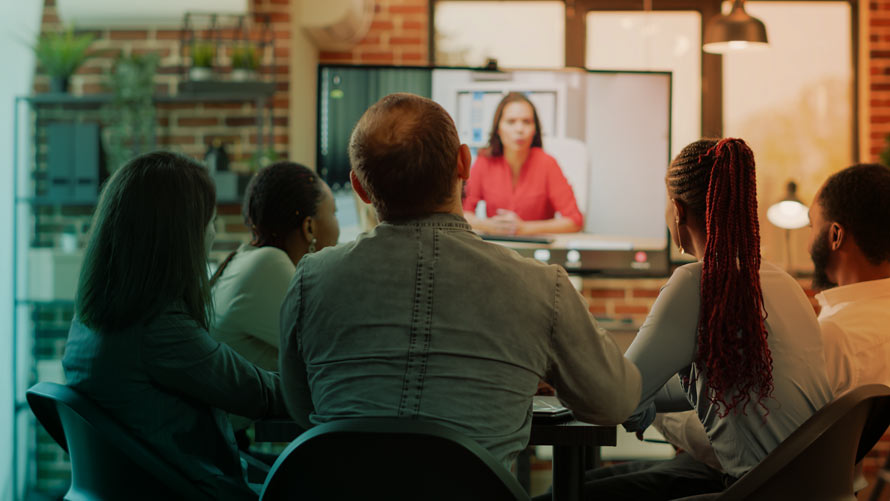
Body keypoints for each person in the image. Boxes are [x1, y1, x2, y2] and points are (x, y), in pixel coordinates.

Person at [278, 92, 642, 468]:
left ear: (359, 187)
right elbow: (616, 401)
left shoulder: (309, 279)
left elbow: (303, 408)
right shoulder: (542, 287)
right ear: (464, 164)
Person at [581, 139, 833, 500]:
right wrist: (642, 401)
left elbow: (615, 397)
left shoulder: (694, 283)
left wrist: (627, 402)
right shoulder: (785, 284)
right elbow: (717, 383)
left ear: (677, 210)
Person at [63, 152, 287, 500]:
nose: (213, 235)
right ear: (179, 238)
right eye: (211, 222)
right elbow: (258, 395)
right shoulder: (158, 329)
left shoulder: (92, 318)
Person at [647, 163, 890, 479]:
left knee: (590, 490)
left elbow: (741, 444)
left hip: (763, 486)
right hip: (828, 485)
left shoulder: (837, 336)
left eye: (810, 226)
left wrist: (648, 409)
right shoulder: (874, 322)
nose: (806, 242)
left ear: (834, 235)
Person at [210, 162, 339, 372]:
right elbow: (339, 353)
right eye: (335, 213)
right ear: (309, 227)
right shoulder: (268, 264)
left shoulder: (246, 259)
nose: (338, 225)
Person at [462, 92, 583, 235]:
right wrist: (488, 226)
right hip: (498, 250)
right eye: (511, 121)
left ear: (535, 129)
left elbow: (575, 221)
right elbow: (462, 215)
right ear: (498, 128)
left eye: (527, 122)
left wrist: (525, 228)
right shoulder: (484, 162)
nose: (519, 129)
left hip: (537, 251)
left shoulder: (547, 164)